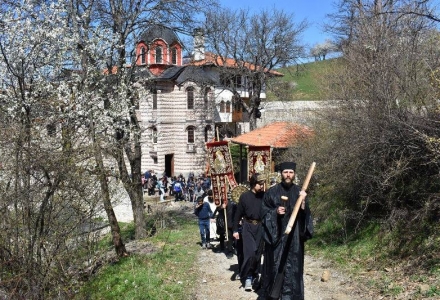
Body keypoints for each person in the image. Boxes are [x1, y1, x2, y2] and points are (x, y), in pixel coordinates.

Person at [260, 162, 313, 300]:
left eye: (290, 172)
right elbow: (263, 213)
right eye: (285, 172)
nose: (288, 175)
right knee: (275, 266)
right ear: (281, 174)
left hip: (294, 238)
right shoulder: (271, 192)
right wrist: (275, 212)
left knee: (293, 268)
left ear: (294, 174)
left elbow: (306, 217)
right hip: (277, 237)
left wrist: (302, 204)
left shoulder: (299, 192)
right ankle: (273, 295)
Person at [232, 173, 266, 291]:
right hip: (247, 226)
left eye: (262, 184)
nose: (262, 186)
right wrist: (235, 229)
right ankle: (247, 277)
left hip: (260, 227)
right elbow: (237, 214)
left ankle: (255, 276)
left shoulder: (264, 196)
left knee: (257, 255)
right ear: (253, 184)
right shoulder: (245, 197)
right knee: (250, 253)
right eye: (260, 184)